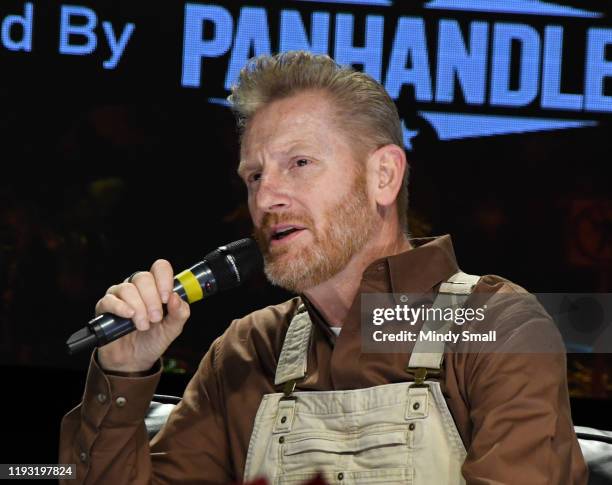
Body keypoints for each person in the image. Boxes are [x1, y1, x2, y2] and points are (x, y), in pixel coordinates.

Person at [59, 51, 588, 484]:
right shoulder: (246, 352)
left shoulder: (500, 328)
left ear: (383, 176)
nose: (267, 197)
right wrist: (125, 373)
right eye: (253, 176)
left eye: (300, 163)